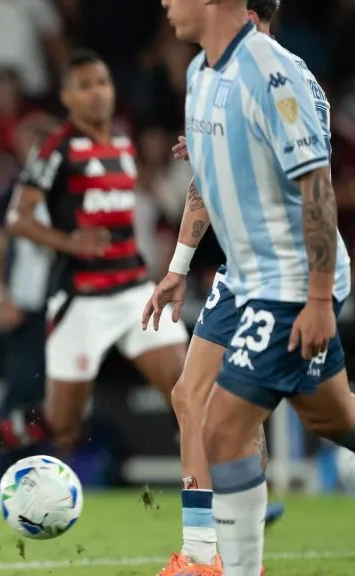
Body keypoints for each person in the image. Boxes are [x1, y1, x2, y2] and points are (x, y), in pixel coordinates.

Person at [0, 50, 189, 515]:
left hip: (134, 291)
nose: (97, 93)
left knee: (187, 394)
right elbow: (17, 218)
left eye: (103, 83)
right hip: (82, 300)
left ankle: (227, 497)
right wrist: (70, 241)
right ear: (68, 96)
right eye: (84, 85)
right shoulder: (57, 148)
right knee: (60, 422)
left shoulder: (123, 142)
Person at [158, 0, 354, 574]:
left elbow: (317, 189)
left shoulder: (276, 75)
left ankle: (218, 564)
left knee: (224, 424)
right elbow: (206, 180)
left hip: (291, 276)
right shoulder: (200, 74)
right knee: (325, 417)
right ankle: (204, 554)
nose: (165, 3)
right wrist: (178, 265)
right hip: (244, 274)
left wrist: (318, 298)